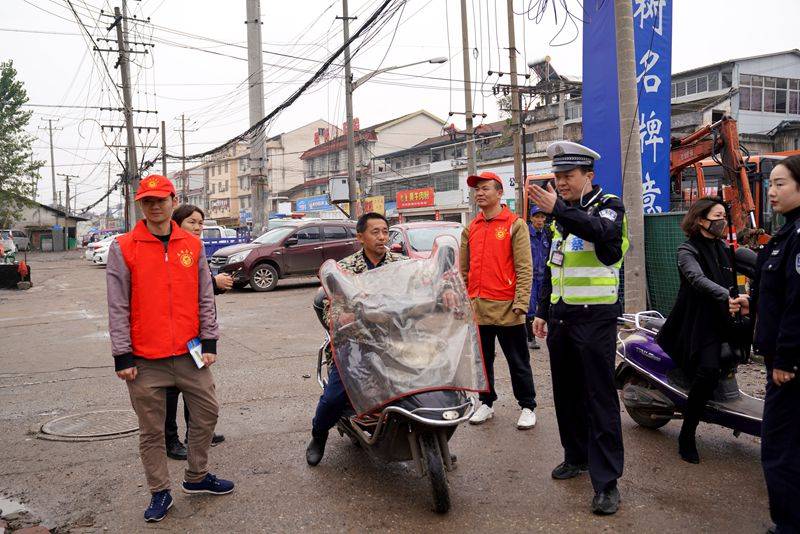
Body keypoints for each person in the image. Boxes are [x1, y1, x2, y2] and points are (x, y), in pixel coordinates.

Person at [106, 175, 234, 523]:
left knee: (207, 413)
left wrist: (210, 340)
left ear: (173, 200)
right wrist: (123, 354)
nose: (155, 206)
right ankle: (160, 492)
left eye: (161, 199)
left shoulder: (191, 245)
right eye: (148, 201)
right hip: (145, 360)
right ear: (141, 205)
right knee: (151, 432)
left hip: (190, 354)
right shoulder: (124, 246)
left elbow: (205, 296)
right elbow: (117, 305)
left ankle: (196, 476)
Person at [528, 141, 628, 515]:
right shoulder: (559, 217)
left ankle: (606, 482)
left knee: (599, 399)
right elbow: (556, 267)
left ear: (589, 175)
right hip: (562, 318)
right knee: (566, 394)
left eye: (568, 176)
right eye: (557, 177)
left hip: (595, 320)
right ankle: (576, 457)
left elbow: (603, 236)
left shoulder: (609, 206)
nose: (561, 182)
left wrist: (559, 208)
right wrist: (542, 311)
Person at [306, 212, 405, 466]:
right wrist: (342, 316)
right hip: (353, 344)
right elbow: (331, 304)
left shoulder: (401, 264)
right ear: (360, 237)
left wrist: (445, 292)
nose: (382, 237)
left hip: (394, 342)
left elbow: (425, 284)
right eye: (375, 232)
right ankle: (319, 434)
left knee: (424, 384)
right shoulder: (344, 269)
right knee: (334, 398)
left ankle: (430, 437)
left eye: (385, 231)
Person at [656, 197, 747, 464]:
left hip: (724, 317)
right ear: (700, 220)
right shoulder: (687, 250)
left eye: (723, 216)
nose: (722, 221)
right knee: (707, 371)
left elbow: (756, 263)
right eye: (716, 216)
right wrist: (725, 295)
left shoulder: (725, 248)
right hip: (698, 322)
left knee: (736, 357)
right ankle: (687, 433)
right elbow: (696, 278)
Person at [460, 171, 537, 430]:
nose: (479, 193)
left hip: (507, 307)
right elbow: (463, 270)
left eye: (485, 188)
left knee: (518, 361)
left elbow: (525, 268)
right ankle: (486, 403)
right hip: (477, 306)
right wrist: (463, 300)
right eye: (477, 190)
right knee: (483, 361)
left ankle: (527, 406)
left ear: (499, 192)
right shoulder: (471, 227)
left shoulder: (515, 224)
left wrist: (521, 303)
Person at [750, 155, 800, 532]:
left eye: (780, 183)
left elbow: (798, 305)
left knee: (781, 449)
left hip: (789, 368)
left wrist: (785, 359)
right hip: (784, 361)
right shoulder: (787, 234)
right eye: (772, 183)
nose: (771, 191)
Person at [162, 204, 231, 461]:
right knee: (171, 390)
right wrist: (215, 283)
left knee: (198, 388)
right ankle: (171, 441)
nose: (198, 228)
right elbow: (178, 288)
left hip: (197, 333)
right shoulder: (169, 250)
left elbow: (201, 291)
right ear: (177, 224)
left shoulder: (197, 248)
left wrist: (215, 286)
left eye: (201, 223)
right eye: (192, 222)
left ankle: (197, 432)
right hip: (175, 333)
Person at [526, 204, 550, 350]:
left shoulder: (548, 234)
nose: (540, 220)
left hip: (544, 277)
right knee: (530, 307)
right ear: (531, 218)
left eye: (542, 217)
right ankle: (530, 338)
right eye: (537, 217)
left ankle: (544, 333)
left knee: (545, 306)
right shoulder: (525, 234)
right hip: (530, 277)